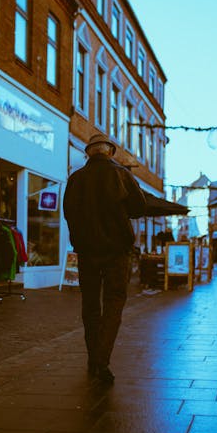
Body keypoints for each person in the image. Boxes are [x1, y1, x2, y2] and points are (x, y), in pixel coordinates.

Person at [63, 132, 146, 384]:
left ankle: (93, 358)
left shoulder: (76, 179)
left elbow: (68, 212)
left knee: (90, 306)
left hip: (87, 252)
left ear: (89, 153)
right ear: (110, 151)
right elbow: (139, 208)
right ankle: (101, 361)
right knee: (113, 304)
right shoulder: (121, 174)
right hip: (117, 253)